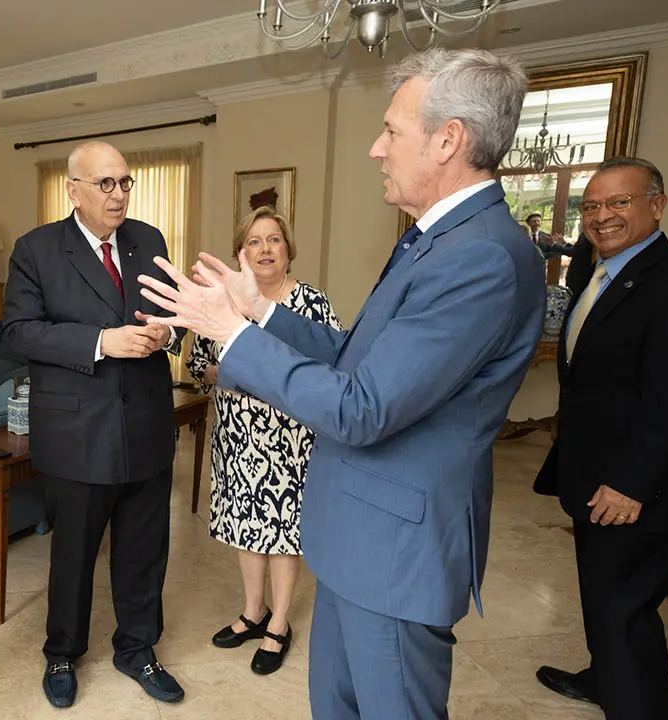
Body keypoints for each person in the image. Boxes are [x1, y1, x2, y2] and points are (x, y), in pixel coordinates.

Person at [138, 48, 545, 719]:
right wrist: (260, 312)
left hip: (395, 554)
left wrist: (233, 337)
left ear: (449, 141)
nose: (375, 149)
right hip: (361, 541)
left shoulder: (479, 258)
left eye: (391, 131)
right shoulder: (433, 241)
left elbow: (361, 407)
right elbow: (355, 356)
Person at [1, 141, 185, 708]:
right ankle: (62, 653)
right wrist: (102, 342)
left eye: (125, 182)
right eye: (104, 183)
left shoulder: (148, 239)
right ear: (73, 190)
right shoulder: (36, 250)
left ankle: (138, 649)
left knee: (144, 551)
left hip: (149, 425)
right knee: (74, 555)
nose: (118, 194)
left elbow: (174, 313)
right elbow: (16, 334)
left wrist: (168, 335)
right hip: (79, 434)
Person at [532, 156, 668, 719]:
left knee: (622, 613)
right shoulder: (595, 272)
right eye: (591, 205)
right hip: (599, 479)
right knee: (607, 602)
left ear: (656, 205)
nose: (602, 216)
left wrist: (630, 485)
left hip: (643, 492)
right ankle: (605, 678)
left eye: (619, 202)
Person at [187, 206, 340, 676]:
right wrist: (232, 372)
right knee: (244, 526)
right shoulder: (223, 301)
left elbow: (333, 366)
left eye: (273, 239)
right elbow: (198, 366)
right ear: (240, 252)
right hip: (237, 434)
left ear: (288, 249)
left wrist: (265, 373)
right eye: (254, 241)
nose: (265, 249)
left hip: (290, 439)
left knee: (282, 535)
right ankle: (252, 611)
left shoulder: (312, 304)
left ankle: (279, 623)